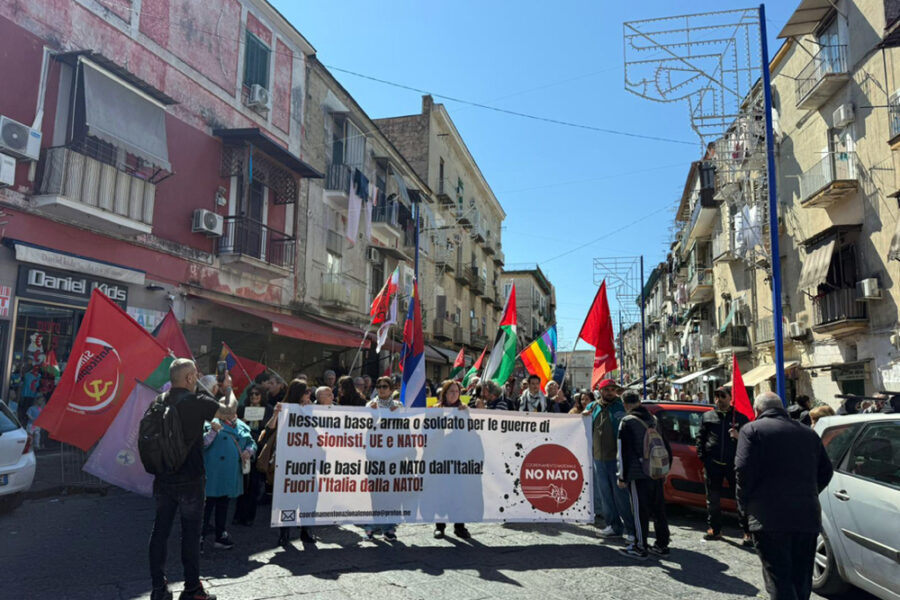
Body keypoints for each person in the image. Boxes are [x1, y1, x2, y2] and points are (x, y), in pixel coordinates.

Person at [149, 358, 235, 600]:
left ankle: (158, 588)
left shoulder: (158, 401)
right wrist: (227, 388)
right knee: (190, 534)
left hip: (163, 477)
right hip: (191, 479)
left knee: (160, 531)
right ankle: (192, 589)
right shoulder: (197, 401)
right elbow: (229, 413)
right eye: (195, 375)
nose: (197, 379)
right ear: (188, 378)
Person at [735, 392, 834, 600]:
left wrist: (745, 508)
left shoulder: (751, 430)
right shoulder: (808, 433)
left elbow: (743, 472)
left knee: (779, 579)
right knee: (801, 578)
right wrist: (808, 492)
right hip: (806, 516)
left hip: (768, 518)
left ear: (757, 411)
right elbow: (826, 471)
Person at [259, 380, 316, 546]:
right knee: (287, 497)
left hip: (308, 459)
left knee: (308, 496)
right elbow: (268, 430)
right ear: (298, 393)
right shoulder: (284, 407)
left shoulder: (312, 408)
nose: (309, 395)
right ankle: (285, 533)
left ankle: (306, 531)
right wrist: (277, 414)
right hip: (288, 460)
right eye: (306, 392)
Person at [616, 392, 672, 560]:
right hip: (656, 471)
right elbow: (665, 444)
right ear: (639, 402)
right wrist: (666, 469)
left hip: (638, 472)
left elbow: (622, 452)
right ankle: (662, 544)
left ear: (625, 404)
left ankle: (640, 546)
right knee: (659, 509)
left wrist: (622, 476)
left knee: (640, 511)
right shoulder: (653, 419)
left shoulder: (627, 422)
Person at [696, 387, 751, 545]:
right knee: (712, 499)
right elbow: (700, 438)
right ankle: (715, 529)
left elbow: (749, 442)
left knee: (741, 498)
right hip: (713, 465)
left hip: (734, 465)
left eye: (722, 396)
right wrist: (703, 457)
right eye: (716, 396)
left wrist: (738, 436)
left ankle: (747, 532)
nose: (719, 399)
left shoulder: (740, 418)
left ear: (730, 398)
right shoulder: (708, 416)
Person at [201, 397, 256, 552]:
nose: (229, 413)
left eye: (231, 409)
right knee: (207, 506)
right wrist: (213, 431)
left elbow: (252, 442)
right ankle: (200, 536)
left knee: (223, 504)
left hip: (230, 471)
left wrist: (248, 451)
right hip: (213, 472)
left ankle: (220, 534)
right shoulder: (209, 424)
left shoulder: (241, 425)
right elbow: (201, 444)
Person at [583, 379, 635, 541]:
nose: (611, 392)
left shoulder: (622, 407)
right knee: (605, 495)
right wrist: (583, 417)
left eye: (613, 389)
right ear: (601, 391)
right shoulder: (593, 407)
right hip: (599, 459)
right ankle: (613, 526)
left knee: (622, 496)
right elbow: (581, 425)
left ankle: (632, 530)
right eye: (607, 389)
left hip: (617, 460)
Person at [364, 376, 403, 540]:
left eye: (385, 386)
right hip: (374, 455)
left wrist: (397, 414)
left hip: (392, 456)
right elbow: (364, 427)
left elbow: (405, 428)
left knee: (390, 493)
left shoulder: (398, 406)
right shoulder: (370, 404)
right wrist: (371, 413)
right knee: (375, 493)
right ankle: (372, 526)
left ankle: (389, 528)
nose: (381, 389)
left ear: (391, 388)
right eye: (378, 386)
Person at [433, 380, 471, 539]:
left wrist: (467, 414)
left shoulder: (464, 409)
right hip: (441, 457)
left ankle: (459, 526)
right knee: (441, 493)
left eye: (457, 391)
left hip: (459, 458)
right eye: (451, 391)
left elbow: (472, 431)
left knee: (459, 493)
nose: (454, 394)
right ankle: (439, 527)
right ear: (445, 393)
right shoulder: (436, 409)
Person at [234, 385, 272, 526]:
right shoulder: (242, 409)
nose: (254, 396)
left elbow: (268, 429)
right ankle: (238, 515)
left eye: (257, 394)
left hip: (259, 449)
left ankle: (250, 516)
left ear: (262, 395)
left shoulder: (268, 409)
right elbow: (235, 426)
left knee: (254, 485)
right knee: (242, 484)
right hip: (243, 449)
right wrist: (242, 422)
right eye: (251, 394)